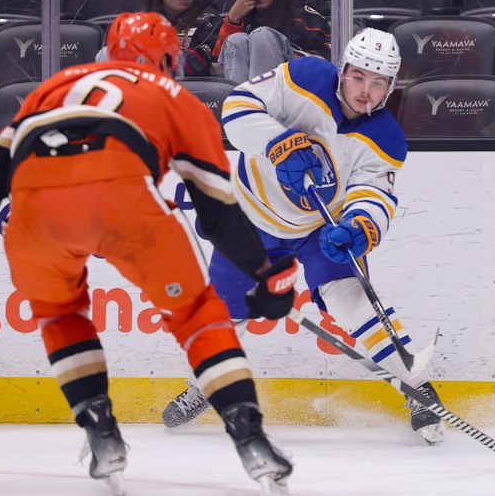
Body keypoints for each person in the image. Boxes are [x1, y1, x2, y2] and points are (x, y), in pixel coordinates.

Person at [0, 12, 297, 496]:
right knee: (196, 314)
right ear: (168, 58)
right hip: (124, 194)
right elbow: (217, 211)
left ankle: (100, 430)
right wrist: (263, 272)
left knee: (60, 313)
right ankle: (250, 436)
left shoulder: (53, 86)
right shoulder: (176, 96)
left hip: (34, 205)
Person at [163, 27, 446, 445]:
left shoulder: (385, 137)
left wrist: (359, 225)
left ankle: (417, 387)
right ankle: (205, 384)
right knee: (223, 314)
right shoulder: (305, 77)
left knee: (352, 300)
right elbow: (238, 105)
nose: (365, 91)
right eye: (358, 77)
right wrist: (277, 142)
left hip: (318, 228)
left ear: (390, 86)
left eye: (378, 82)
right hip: (249, 217)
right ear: (343, 70)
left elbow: (373, 193)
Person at [95, 0, 223, 77]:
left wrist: (154, 62)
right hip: (144, 86)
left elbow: (198, 60)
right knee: (105, 53)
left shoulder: (208, 17)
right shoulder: (143, 22)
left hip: (188, 89)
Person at [212, 0, 331, 83]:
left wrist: (276, 53)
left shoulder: (301, 13)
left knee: (261, 36)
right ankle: (240, 105)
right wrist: (232, 21)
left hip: (296, 87)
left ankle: (263, 105)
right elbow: (218, 62)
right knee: (236, 39)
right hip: (248, 91)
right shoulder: (239, 15)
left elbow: (327, 59)